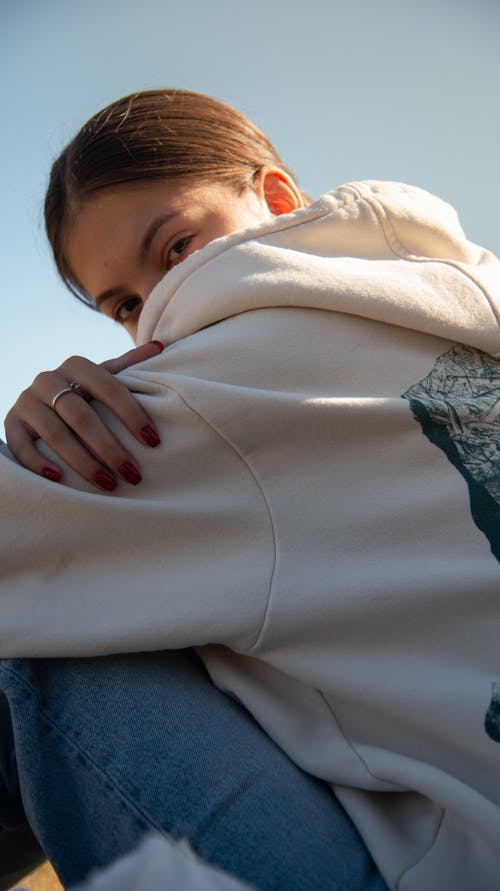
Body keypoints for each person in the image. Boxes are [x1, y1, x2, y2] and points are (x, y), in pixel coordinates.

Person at [1, 89, 499, 891]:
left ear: (274, 198)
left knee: (49, 638)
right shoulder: (464, 296)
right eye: (126, 306)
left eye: (174, 251)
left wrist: (33, 441)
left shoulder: (212, 391)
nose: (161, 315)